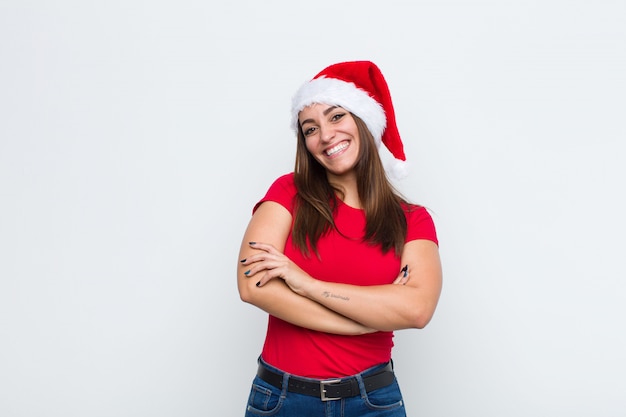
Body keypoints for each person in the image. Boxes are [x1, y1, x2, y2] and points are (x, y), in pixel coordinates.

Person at [237, 60, 442, 417]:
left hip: (373, 402)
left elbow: (417, 309)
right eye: (310, 128)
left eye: (336, 117)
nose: (325, 135)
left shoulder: (412, 221)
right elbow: (253, 285)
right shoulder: (288, 192)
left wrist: (305, 283)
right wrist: (366, 319)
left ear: (364, 122)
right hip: (283, 400)